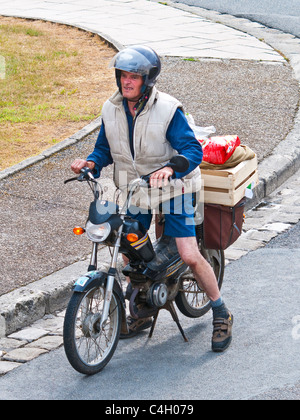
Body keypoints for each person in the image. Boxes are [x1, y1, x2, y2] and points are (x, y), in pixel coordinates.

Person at [71, 45, 233, 352]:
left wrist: (170, 169)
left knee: (187, 254)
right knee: (127, 244)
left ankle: (221, 311)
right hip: (137, 189)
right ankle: (141, 310)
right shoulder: (111, 108)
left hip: (176, 189)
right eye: (123, 75)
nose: (127, 82)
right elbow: (104, 149)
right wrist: (90, 163)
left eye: (134, 77)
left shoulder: (169, 110)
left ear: (148, 81)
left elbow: (192, 151)